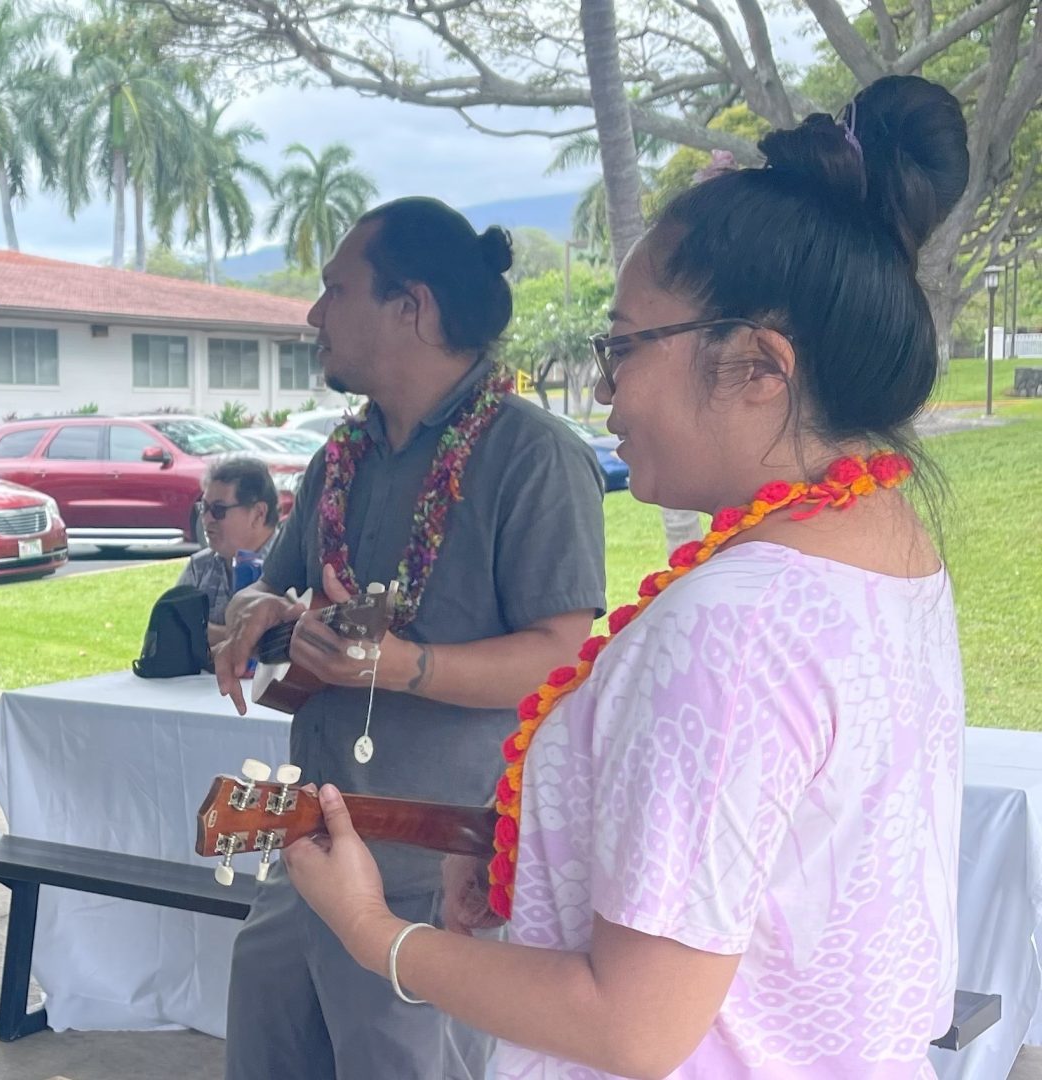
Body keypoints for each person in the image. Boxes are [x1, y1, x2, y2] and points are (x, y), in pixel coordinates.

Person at [282, 75, 970, 1078]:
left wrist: (371, 930)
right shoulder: (887, 551)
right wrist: (532, 848)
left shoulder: (730, 625)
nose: (605, 395)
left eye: (623, 348)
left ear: (759, 367)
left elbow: (631, 1027)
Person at [214, 199, 607, 1079]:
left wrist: (407, 667)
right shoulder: (340, 458)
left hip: (439, 870)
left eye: (335, 290)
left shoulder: (531, 455)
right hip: (310, 846)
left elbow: (561, 656)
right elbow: (280, 584)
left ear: (412, 307)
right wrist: (256, 610)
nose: (313, 314)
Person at [176, 456, 282, 656]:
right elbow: (173, 634)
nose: (206, 519)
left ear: (258, 514)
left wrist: (206, 633)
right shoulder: (200, 567)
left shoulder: (290, 565)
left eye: (218, 509)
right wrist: (247, 638)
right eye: (204, 508)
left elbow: (286, 645)